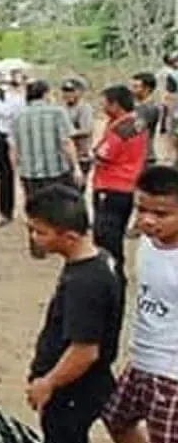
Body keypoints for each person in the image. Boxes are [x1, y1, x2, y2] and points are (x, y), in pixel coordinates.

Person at [23, 185, 124, 443]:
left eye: (39, 231)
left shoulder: (86, 280)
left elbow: (84, 350)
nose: (34, 238)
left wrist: (47, 383)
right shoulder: (101, 261)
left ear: (67, 234)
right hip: (86, 387)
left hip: (71, 391)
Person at [101, 165, 178, 443]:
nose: (147, 219)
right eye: (142, 208)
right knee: (117, 418)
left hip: (173, 373)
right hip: (144, 357)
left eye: (161, 213)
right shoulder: (148, 244)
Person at [10, 80, 83, 259]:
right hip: (56, 170)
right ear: (45, 93)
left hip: (30, 173)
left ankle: (38, 248)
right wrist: (76, 167)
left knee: (34, 210)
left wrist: (16, 171)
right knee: (61, 208)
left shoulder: (18, 115)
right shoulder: (57, 112)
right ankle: (60, 245)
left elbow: (13, 148)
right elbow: (67, 142)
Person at [93, 84, 147, 289]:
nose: (102, 106)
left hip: (110, 186)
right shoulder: (137, 122)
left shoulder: (121, 128)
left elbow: (103, 155)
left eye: (105, 102)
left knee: (106, 237)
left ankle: (111, 278)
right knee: (115, 232)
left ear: (115, 104)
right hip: (126, 186)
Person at [0, 72, 26, 226]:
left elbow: (5, 112)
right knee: (5, 177)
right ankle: (6, 211)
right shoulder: (6, 97)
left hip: (17, 138)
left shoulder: (18, 99)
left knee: (25, 176)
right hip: (3, 138)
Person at [61, 78, 95, 181]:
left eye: (72, 91)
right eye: (65, 91)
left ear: (80, 92)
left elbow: (86, 130)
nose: (68, 94)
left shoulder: (84, 108)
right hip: (65, 157)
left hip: (81, 156)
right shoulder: (62, 108)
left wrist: (66, 133)